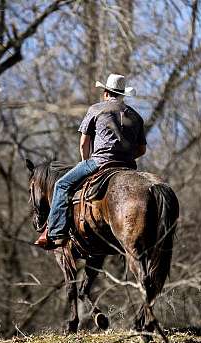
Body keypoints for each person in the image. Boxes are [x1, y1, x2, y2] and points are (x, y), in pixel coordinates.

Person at [34, 73, 147, 249]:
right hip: (127, 166)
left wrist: (85, 162)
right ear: (122, 95)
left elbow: (84, 143)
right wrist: (125, 158)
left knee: (62, 185)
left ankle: (56, 233)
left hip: (99, 162)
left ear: (106, 93)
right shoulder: (136, 116)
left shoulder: (96, 109)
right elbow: (141, 150)